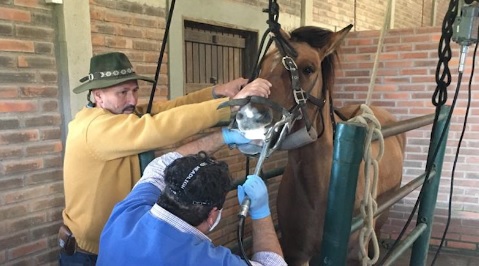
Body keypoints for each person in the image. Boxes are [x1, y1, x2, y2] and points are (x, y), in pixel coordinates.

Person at [59, 51, 272, 265]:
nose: (132, 99)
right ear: (98, 96)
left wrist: (216, 92)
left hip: (122, 238)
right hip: (86, 254)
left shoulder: (118, 115)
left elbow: (167, 110)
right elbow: (158, 127)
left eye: (134, 90)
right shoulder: (94, 128)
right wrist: (230, 105)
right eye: (122, 92)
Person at [97, 130, 286, 265]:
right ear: (212, 215)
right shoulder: (205, 259)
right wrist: (261, 212)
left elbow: (158, 165)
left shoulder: (127, 213)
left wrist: (226, 135)